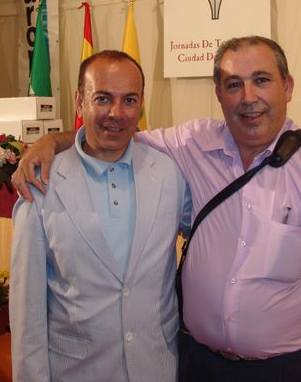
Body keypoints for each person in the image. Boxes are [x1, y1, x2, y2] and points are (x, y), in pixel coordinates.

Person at [13, 36, 301, 382]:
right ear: (219, 94)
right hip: (197, 364)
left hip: (288, 369)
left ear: (287, 87)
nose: (248, 97)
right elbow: (114, 134)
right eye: (234, 84)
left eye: (261, 80)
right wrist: (51, 141)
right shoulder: (189, 146)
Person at [10, 50, 192, 382]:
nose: (116, 113)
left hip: (156, 368)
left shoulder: (169, 173)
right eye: (103, 98)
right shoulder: (41, 185)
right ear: (79, 102)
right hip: (78, 372)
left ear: (141, 105)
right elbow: (27, 313)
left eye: (129, 100)